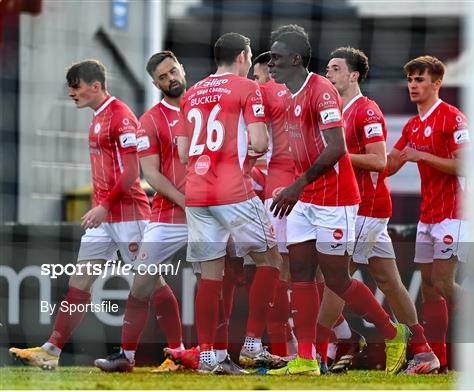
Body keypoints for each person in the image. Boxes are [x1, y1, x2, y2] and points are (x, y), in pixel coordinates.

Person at [267, 26, 410, 376]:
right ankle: (306, 359)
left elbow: (336, 148)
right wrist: (284, 184)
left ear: (296, 59)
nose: (271, 63)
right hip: (305, 199)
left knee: (337, 281)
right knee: (301, 275)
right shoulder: (287, 95)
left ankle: (394, 335)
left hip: (336, 201)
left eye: (277, 57)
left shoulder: (322, 91)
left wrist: (296, 185)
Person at [9, 60, 151, 369]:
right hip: (104, 219)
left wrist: (103, 205)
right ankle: (52, 350)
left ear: (95, 86)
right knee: (79, 282)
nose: (71, 92)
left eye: (76, 86)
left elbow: (131, 172)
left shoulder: (121, 116)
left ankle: (185, 349)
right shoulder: (97, 118)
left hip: (129, 215)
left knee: (150, 284)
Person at [319, 47, 439, 374]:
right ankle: (423, 350)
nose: (328, 74)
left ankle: (316, 350)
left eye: (335, 68)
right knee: (388, 281)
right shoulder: (336, 111)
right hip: (353, 208)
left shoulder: (367, 111)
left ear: (354, 74)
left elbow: (379, 161)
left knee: (334, 278)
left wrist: (336, 155)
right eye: (328, 68)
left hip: (366, 209)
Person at [177, 32, 284, 374]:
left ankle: (210, 356)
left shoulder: (191, 92)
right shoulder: (245, 87)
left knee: (210, 275)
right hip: (232, 191)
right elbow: (258, 140)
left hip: (196, 192)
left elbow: (182, 153)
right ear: (242, 57)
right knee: (269, 259)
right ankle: (253, 344)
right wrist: (256, 150)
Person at [94, 51, 198, 373]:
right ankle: (127, 356)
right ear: (155, 84)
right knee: (142, 281)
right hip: (169, 213)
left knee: (231, 279)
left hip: (215, 209)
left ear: (182, 67)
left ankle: (210, 354)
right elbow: (150, 174)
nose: (171, 79)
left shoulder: (208, 105)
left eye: (173, 71)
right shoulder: (150, 120)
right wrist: (185, 201)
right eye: (163, 77)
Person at [387, 55, 469, 372]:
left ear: (436, 84)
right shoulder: (412, 125)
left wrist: (422, 155)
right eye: (410, 80)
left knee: (443, 281)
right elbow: (391, 163)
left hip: (453, 213)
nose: (413, 85)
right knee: (429, 289)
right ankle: (436, 360)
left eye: (419, 80)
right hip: (428, 215)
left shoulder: (452, 117)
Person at [252, 51, 297, 357]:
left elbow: (253, 144)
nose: (252, 84)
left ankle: (285, 349)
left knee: (277, 271)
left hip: (279, 191)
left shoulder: (266, 94)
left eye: (256, 78)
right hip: (307, 187)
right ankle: (319, 346)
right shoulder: (308, 89)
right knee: (307, 275)